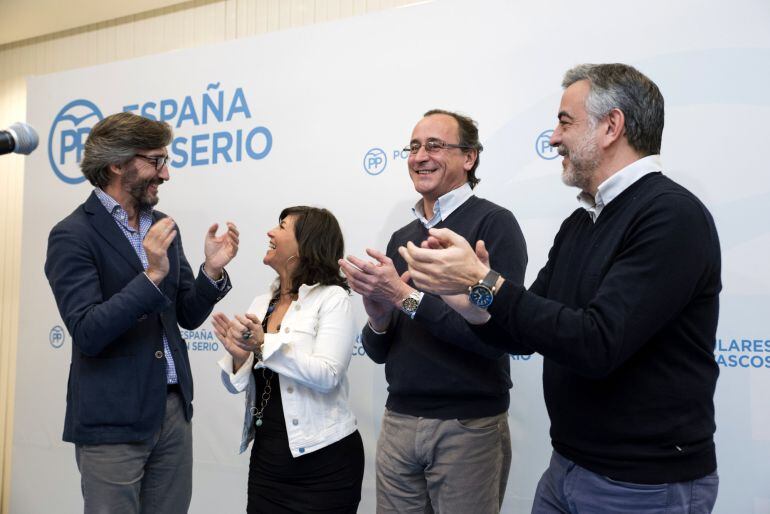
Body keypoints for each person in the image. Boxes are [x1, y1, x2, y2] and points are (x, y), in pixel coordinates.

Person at [400, 64, 721, 513]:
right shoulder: (581, 221)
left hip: (641, 485)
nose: (553, 138)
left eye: (565, 122)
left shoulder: (670, 216)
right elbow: (521, 329)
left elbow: (597, 342)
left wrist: (481, 280)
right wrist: (467, 296)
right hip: (567, 468)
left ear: (611, 126)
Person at [44, 112, 239, 513]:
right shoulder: (72, 234)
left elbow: (186, 313)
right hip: (111, 420)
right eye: (155, 161)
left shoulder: (163, 225)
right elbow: (87, 331)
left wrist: (211, 271)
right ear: (116, 164)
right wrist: (151, 277)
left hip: (171, 411)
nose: (165, 174)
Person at [339, 109, 528, 514]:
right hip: (398, 421)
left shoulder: (494, 224)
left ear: (469, 158)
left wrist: (404, 295)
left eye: (435, 146)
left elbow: (496, 338)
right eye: (414, 147)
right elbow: (378, 350)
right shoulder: (402, 238)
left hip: (467, 427)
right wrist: (378, 316)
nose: (420, 155)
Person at [213, 206, 364, 514]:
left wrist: (263, 345)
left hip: (325, 463)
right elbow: (240, 385)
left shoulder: (332, 298)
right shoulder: (261, 302)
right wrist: (241, 359)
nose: (270, 232)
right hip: (268, 459)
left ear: (306, 244)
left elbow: (328, 374)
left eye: (282, 227)